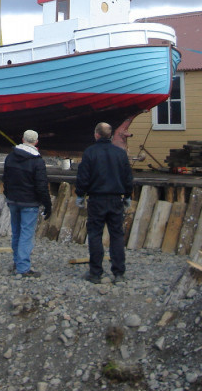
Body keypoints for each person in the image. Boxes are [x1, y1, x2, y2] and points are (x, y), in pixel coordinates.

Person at [75, 121, 134, 284]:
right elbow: (127, 177)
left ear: (96, 134)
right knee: (117, 236)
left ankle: (95, 273)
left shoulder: (90, 152)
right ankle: (119, 272)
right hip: (116, 199)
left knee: (95, 235)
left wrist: (80, 195)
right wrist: (128, 195)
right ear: (110, 135)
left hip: (96, 199)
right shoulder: (120, 154)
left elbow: (83, 176)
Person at [2, 129, 52, 277]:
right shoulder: (37, 161)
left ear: (23, 139)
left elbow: (5, 178)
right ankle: (23, 267)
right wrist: (47, 204)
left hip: (13, 199)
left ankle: (17, 262)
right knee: (26, 234)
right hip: (29, 202)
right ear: (36, 142)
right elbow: (42, 185)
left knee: (16, 232)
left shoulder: (10, 157)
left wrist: (7, 194)